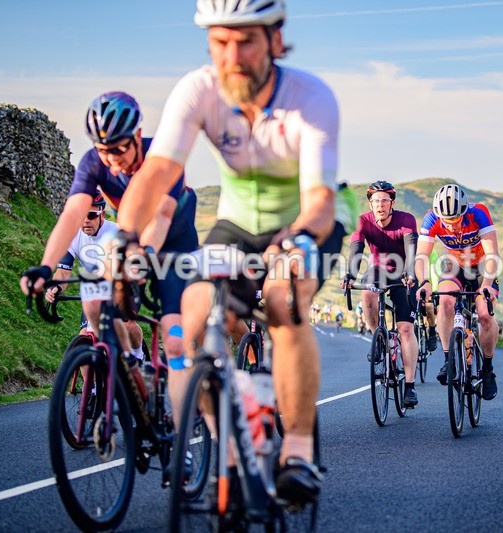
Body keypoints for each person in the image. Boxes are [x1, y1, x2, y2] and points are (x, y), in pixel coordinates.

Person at [113, 0, 345, 506]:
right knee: (192, 325)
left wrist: (300, 237)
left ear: (276, 40)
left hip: (304, 222)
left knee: (283, 302)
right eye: (220, 41)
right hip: (237, 225)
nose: (232, 55)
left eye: (246, 40)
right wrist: (124, 236)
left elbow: (321, 199)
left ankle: (299, 451)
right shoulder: (198, 88)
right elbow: (155, 173)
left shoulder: (310, 97)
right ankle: (229, 447)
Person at [20, 91, 199, 435]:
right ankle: (131, 369)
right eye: (103, 149)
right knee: (93, 300)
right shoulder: (94, 162)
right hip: (134, 238)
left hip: (174, 245)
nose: (111, 159)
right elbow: (73, 213)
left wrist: (139, 260)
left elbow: (161, 217)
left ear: (136, 137)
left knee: (174, 340)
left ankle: (184, 407)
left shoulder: (163, 157)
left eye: (118, 148)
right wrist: (46, 266)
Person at [414, 183, 500, 400]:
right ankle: (448, 360)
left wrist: (487, 284)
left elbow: (493, 256)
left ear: (464, 211)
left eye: (455, 220)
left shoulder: (479, 213)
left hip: (482, 267)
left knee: (484, 314)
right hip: (454, 265)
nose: (451, 226)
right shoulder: (431, 219)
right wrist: (424, 282)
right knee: (444, 302)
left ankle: (488, 370)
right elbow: (421, 257)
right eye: (446, 222)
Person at [342, 180, 420, 407]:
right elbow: (356, 250)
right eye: (375, 201)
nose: (380, 205)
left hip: (404, 272)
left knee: (406, 328)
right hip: (377, 270)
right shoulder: (363, 221)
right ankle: (379, 339)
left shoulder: (406, 220)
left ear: (392, 202)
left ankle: (410, 386)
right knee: (367, 294)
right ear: (370, 203)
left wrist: (410, 273)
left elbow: (411, 251)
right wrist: (350, 275)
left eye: (384, 200)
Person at [46, 189, 144, 355]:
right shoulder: (72, 235)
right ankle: (90, 382)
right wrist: (56, 288)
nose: (85, 221)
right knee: (83, 342)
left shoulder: (117, 232)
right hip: (96, 288)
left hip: (124, 282)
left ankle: (138, 358)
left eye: (91, 215)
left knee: (128, 325)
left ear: (102, 214)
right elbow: (62, 273)